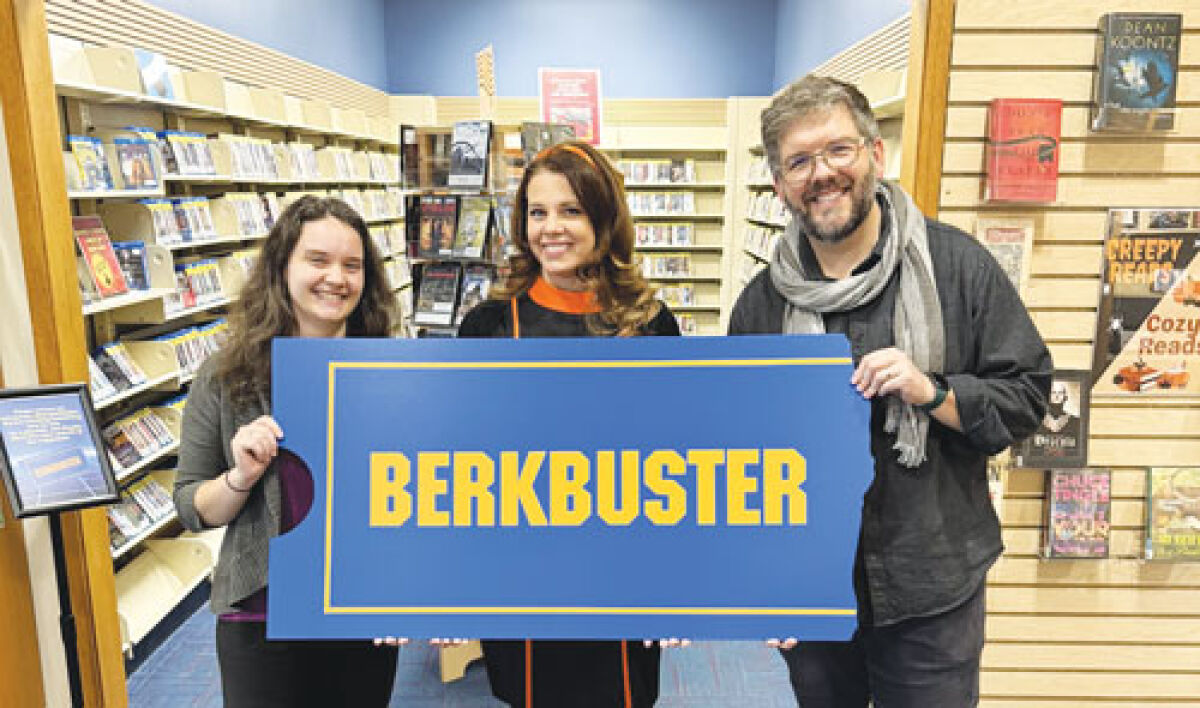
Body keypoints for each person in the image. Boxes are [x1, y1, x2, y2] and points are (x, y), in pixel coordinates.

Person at [727, 76, 1052, 707]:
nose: (822, 173)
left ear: (875, 153)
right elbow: (743, 457)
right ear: (779, 186)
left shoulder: (959, 267)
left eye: (838, 150)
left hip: (932, 583)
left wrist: (931, 390)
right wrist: (762, 583)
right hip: (815, 587)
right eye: (799, 161)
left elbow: (1027, 397)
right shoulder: (761, 305)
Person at [458, 140, 680, 707]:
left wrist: (679, 582)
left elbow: (679, 457)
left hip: (623, 570)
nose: (550, 228)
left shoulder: (650, 325)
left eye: (571, 210)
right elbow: (459, 460)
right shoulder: (487, 325)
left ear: (604, 218)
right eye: (537, 212)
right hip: (521, 572)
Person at [173, 195, 400, 707]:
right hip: (261, 613)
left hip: (356, 608)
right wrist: (241, 477)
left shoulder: (390, 374)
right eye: (317, 260)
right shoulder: (226, 376)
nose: (336, 279)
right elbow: (191, 507)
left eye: (352, 265)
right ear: (282, 267)